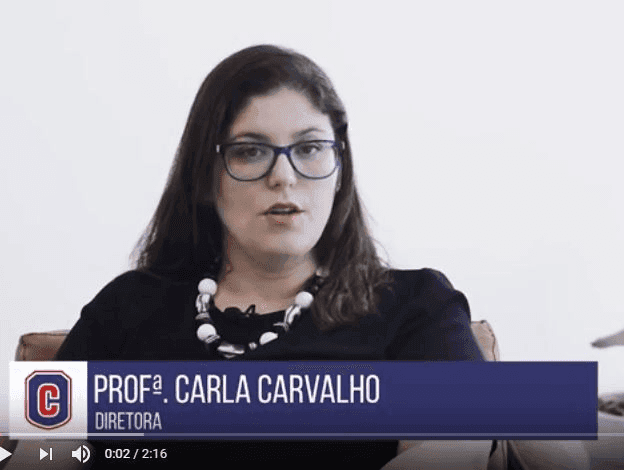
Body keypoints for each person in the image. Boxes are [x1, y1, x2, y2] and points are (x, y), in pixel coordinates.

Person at [52, 44, 490, 469]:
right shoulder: (125, 308)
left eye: (309, 148)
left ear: (340, 170)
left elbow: (452, 453)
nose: (283, 177)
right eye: (250, 151)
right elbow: (42, 453)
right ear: (205, 177)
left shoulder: (417, 306)